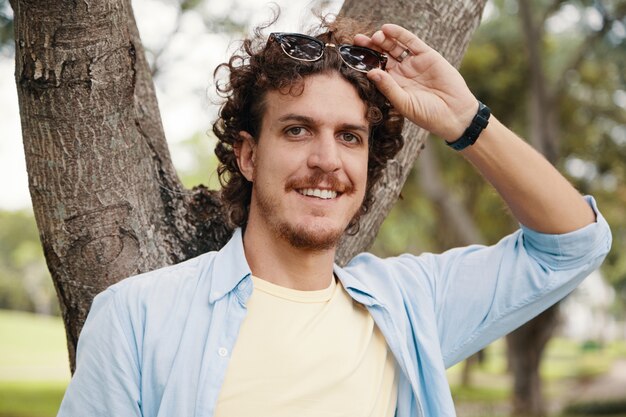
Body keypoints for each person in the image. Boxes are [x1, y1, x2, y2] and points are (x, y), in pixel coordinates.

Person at [57, 17, 611, 417]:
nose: (326, 160)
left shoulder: (411, 307)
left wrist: (464, 118)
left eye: (349, 137)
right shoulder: (135, 319)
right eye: (297, 130)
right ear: (249, 156)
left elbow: (572, 244)